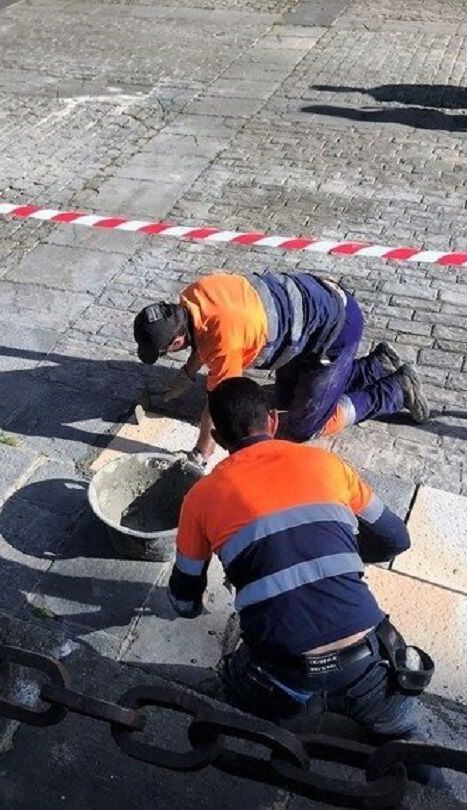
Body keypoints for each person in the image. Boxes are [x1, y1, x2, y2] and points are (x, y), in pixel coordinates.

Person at [167, 377, 443, 788]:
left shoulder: (201, 498)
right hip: (368, 665)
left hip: (278, 675)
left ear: (220, 438)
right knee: (408, 741)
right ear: (273, 422)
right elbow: (395, 539)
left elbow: (183, 601)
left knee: (228, 695)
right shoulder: (328, 465)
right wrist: (337, 556)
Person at [133, 271, 429, 464]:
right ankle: (376, 366)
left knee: (303, 427)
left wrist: (200, 453)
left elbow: (220, 400)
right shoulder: (195, 296)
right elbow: (203, 338)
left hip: (335, 331)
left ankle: (395, 391)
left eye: (163, 351)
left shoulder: (224, 338)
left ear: (177, 339)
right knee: (286, 399)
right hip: (310, 312)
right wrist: (186, 375)